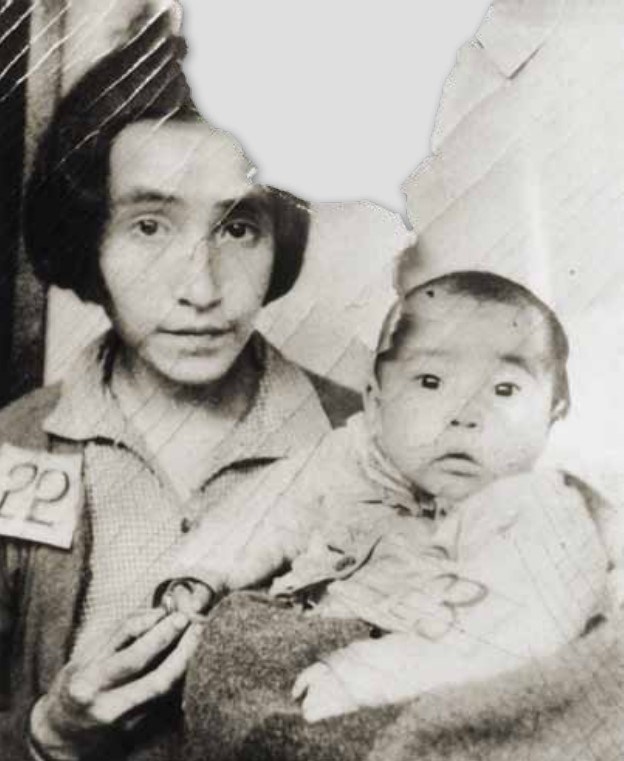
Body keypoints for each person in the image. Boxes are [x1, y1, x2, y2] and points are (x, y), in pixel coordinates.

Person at [0, 21, 359, 761]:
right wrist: (49, 736)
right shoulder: (10, 449)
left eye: (238, 228)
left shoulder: (372, 447)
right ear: (90, 239)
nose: (200, 289)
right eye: (150, 225)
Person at [157, 270, 615, 723]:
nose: (466, 414)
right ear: (376, 402)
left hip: (417, 683)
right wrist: (201, 575)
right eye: (431, 382)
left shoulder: (539, 508)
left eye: (504, 389)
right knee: (228, 637)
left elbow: (504, 632)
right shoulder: (354, 457)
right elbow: (265, 510)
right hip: (309, 653)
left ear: (554, 413)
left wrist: (371, 675)